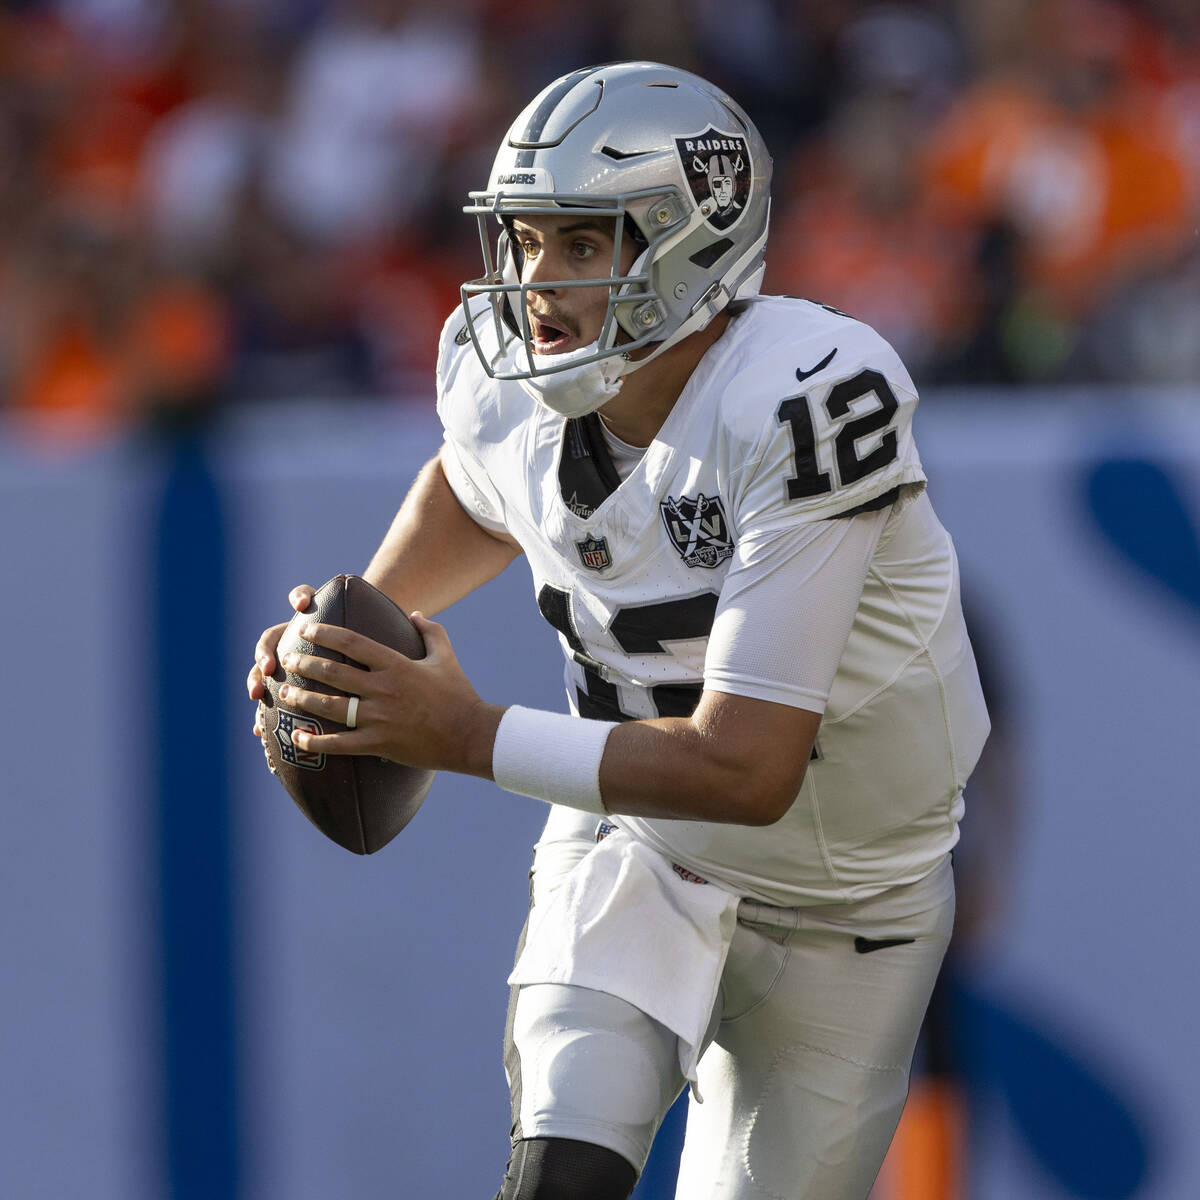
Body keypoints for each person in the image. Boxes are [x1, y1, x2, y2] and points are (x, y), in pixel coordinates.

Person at [247, 61, 990, 1200]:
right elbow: (478, 480)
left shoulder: (805, 391)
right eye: (525, 242)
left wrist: (462, 733)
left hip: (855, 906)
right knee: (562, 1180)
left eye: (583, 246)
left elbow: (747, 767)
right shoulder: (511, 387)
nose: (536, 284)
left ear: (689, 244)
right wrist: (373, 628)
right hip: (637, 846)